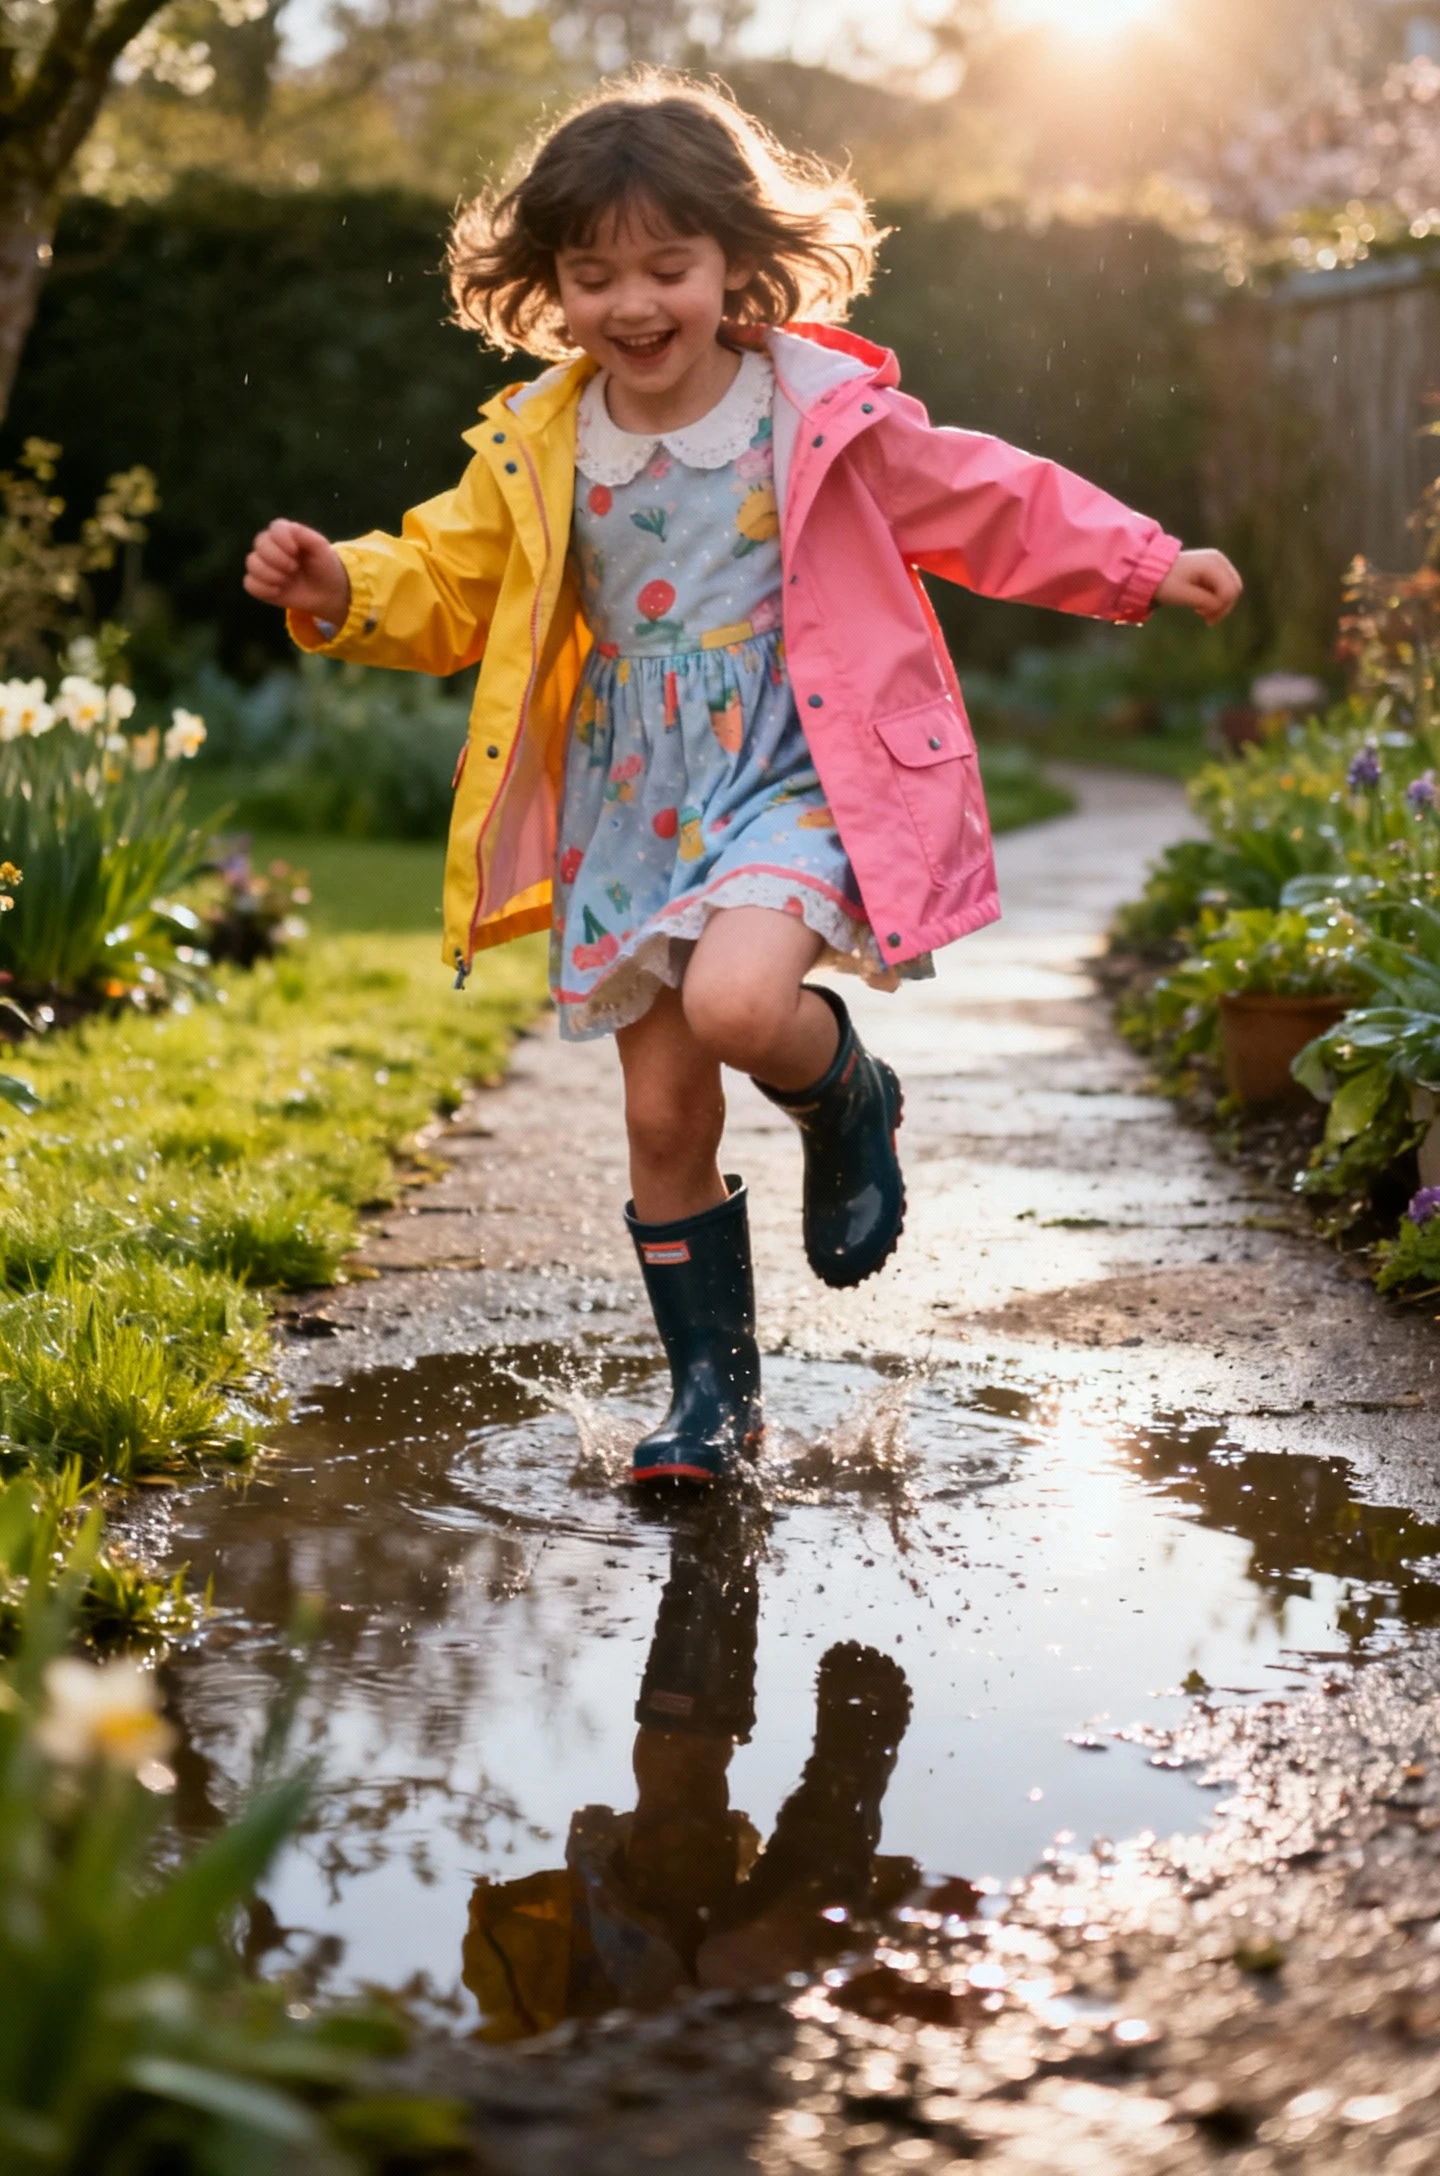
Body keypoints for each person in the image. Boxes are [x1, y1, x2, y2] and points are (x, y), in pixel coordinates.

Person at [244, 73, 1241, 1487]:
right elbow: (449, 581)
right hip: (629, 799)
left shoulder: (811, 409)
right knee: (662, 1114)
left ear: (735, 262)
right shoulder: (540, 437)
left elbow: (982, 495)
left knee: (736, 1004)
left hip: (792, 764)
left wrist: (1139, 560)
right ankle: (714, 1400)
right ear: (549, 284)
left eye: (668, 265)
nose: (631, 303)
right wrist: (343, 586)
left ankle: (847, 1096)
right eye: (592, 274)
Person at [460, 1506, 917, 2037]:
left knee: (673, 1825)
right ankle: (841, 1786)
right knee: (751, 1963)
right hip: (748, 2050)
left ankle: (711, 1561)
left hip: (615, 2016)